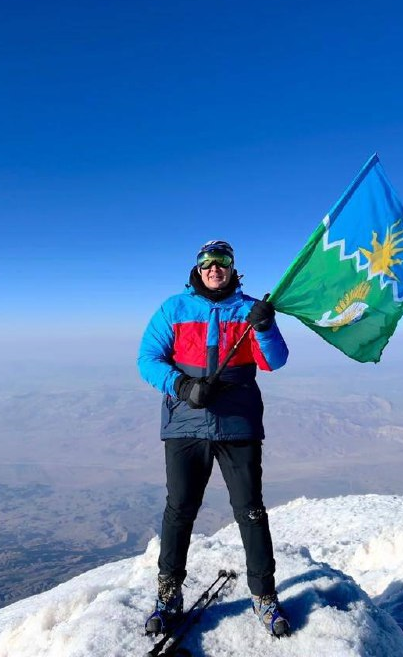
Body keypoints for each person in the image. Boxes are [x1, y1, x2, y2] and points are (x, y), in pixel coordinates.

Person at [138, 239, 290, 637]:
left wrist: (266, 326)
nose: (214, 268)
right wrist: (182, 386)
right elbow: (147, 359)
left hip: (238, 423)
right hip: (185, 423)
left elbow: (274, 360)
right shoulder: (174, 308)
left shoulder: (250, 309)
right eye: (206, 262)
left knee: (251, 510)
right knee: (179, 510)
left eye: (221, 261)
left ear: (232, 267)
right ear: (198, 268)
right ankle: (168, 595)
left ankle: (264, 596)